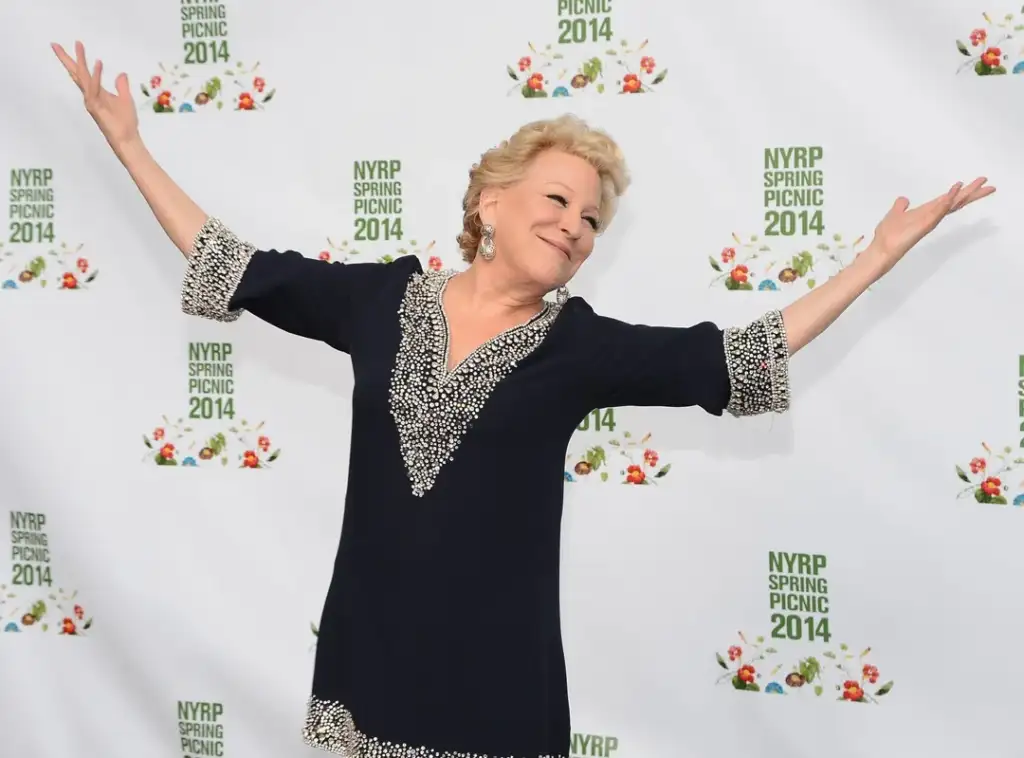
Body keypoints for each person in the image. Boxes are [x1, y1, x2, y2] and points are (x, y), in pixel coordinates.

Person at [52, 40, 993, 758]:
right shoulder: (380, 301)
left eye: (590, 219)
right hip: (365, 660)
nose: (574, 226)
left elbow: (733, 359)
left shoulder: (578, 347)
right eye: (556, 201)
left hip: (495, 686)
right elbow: (235, 267)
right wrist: (131, 146)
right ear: (490, 205)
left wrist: (871, 260)